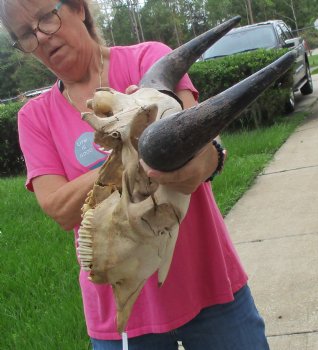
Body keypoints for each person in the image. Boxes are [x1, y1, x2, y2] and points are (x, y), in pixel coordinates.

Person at [0, 1, 270, 349]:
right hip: (122, 318)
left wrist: (205, 160)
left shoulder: (148, 61)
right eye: (25, 35)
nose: (41, 38)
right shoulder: (34, 117)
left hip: (210, 286)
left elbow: (204, 149)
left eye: (46, 19)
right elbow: (59, 207)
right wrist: (132, 145)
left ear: (78, 8)